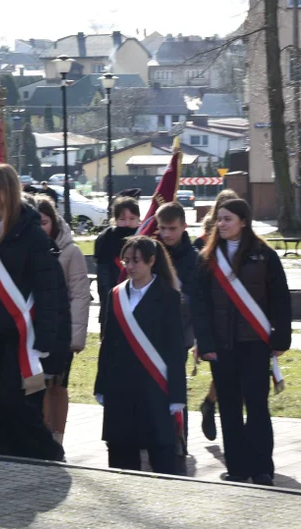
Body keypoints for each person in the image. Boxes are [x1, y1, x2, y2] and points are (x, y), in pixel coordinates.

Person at [0, 163, 65, 462]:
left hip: (16, 334)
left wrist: (46, 338)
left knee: (13, 399)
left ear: (10, 189)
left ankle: (47, 452)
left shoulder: (30, 234)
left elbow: (47, 289)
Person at [192, 198, 291, 486]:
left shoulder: (264, 255)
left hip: (254, 344)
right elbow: (200, 305)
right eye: (218, 219)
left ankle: (262, 468)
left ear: (243, 222)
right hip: (221, 346)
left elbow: (280, 299)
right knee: (230, 408)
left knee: (257, 406)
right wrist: (206, 342)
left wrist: (281, 337)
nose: (220, 224)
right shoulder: (207, 257)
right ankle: (237, 466)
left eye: (227, 219)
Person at [95, 236, 185, 474]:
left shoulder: (168, 296)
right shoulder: (115, 295)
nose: (130, 266)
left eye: (136, 260)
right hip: (120, 387)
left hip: (154, 388)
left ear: (152, 261)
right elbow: (108, 343)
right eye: (126, 261)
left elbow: (176, 349)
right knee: (121, 456)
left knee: (161, 454)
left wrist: (177, 395)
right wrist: (101, 385)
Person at [35, 195, 90, 444]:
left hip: (62, 332)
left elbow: (80, 294)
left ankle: (57, 436)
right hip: (35, 332)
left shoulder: (70, 251)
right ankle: (40, 434)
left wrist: (75, 337)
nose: (40, 227)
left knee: (58, 385)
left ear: (54, 223)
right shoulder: (28, 250)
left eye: (44, 222)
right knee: (37, 385)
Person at [191, 187, 239, 439]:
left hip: (241, 322)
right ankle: (210, 404)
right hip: (214, 323)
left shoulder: (242, 243)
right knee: (225, 375)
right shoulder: (202, 245)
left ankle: (210, 403)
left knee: (237, 377)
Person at [155, 201, 199, 445]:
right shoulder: (153, 253)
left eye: (172, 228)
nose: (166, 234)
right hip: (152, 333)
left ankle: (179, 437)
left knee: (176, 386)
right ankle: (156, 434)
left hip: (180, 334)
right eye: (162, 228)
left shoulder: (194, 258)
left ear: (183, 226)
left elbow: (192, 297)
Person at [94, 196, 141, 324]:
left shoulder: (144, 237)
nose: (127, 224)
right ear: (115, 220)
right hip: (113, 300)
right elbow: (103, 278)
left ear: (138, 218)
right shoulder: (106, 239)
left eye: (132, 219)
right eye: (122, 219)